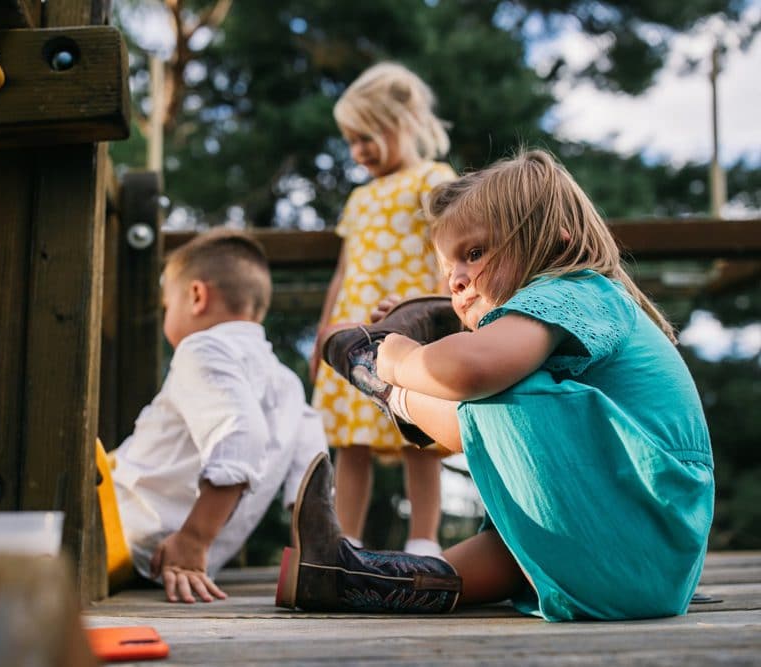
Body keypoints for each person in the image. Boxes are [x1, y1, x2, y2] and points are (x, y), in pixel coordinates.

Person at [278, 149, 714, 621]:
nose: (458, 279)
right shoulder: (578, 307)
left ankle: (390, 387)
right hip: (622, 546)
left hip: (640, 523)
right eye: (449, 273)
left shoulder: (576, 288)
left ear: (555, 242)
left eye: (475, 253)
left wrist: (398, 360)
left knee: (502, 388)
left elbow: (472, 373)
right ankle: (356, 580)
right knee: (508, 540)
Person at [108, 228, 328, 604]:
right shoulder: (289, 384)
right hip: (172, 557)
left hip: (121, 532)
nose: (166, 318)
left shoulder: (202, 347)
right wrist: (318, 559)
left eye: (166, 306)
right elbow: (312, 479)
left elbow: (241, 435)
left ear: (196, 295)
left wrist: (195, 539)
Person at [310, 61, 457, 558]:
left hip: (408, 332)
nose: (357, 152)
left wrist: (440, 310)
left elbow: (450, 248)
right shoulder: (359, 199)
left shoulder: (432, 179)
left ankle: (424, 541)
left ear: (403, 121)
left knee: (422, 436)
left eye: (366, 137)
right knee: (351, 441)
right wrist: (323, 333)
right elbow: (342, 272)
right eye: (350, 141)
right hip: (355, 332)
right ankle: (345, 540)